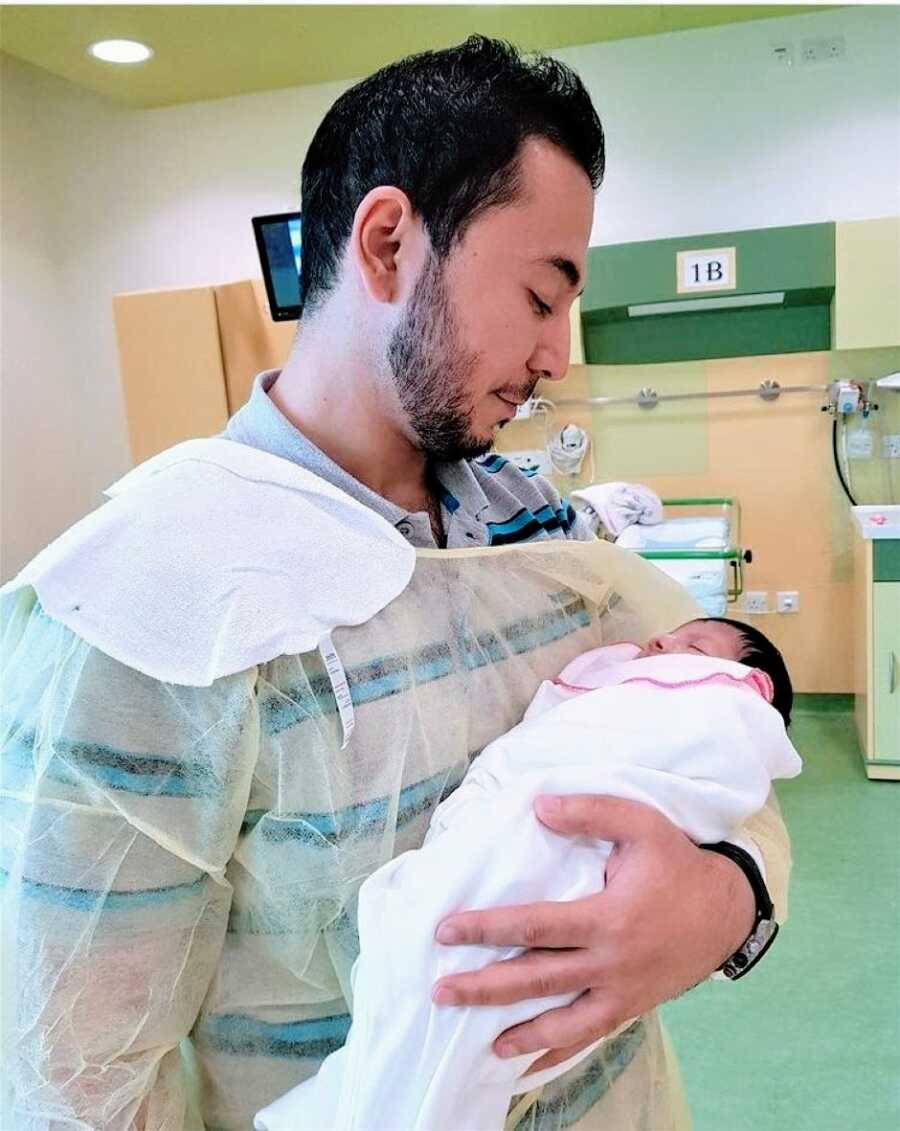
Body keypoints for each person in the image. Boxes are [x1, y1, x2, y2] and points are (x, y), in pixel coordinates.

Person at [0, 38, 792, 1131]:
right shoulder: (154, 609)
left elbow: (710, 741)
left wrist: (730, 899)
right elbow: (77, 1079)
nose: (560, 354)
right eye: (539, 295)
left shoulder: (532, 531)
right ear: (387, 243)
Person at [254, 618, 797, 1131]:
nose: (659, 643)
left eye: (693, 648)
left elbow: (741, 789)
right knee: (424, 969)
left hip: (602, 1061)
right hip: (285, 1039)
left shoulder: (568, 542)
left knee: (458, 997)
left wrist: (724, 901)